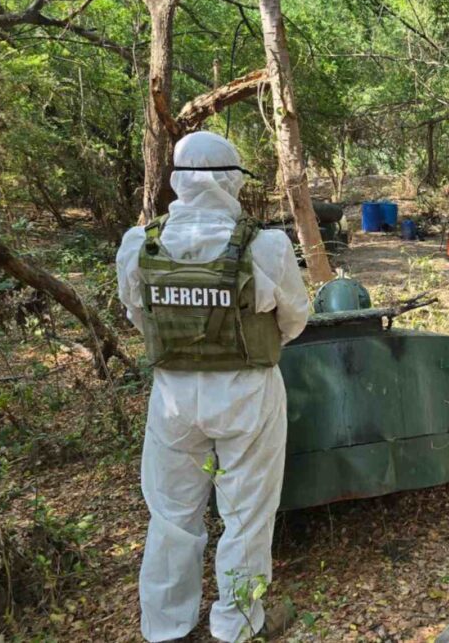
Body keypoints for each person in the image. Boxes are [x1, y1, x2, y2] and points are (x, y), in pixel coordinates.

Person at [116, 131, 309, 642]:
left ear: (177, 180)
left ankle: (165, 626)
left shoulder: (140, 244)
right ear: (231, 181)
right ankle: (237, 624)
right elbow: (295, 319)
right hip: (249, 394)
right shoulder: (267, 246)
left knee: (172, 515)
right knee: (246, 513)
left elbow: (139, 316)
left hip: (174, 400)